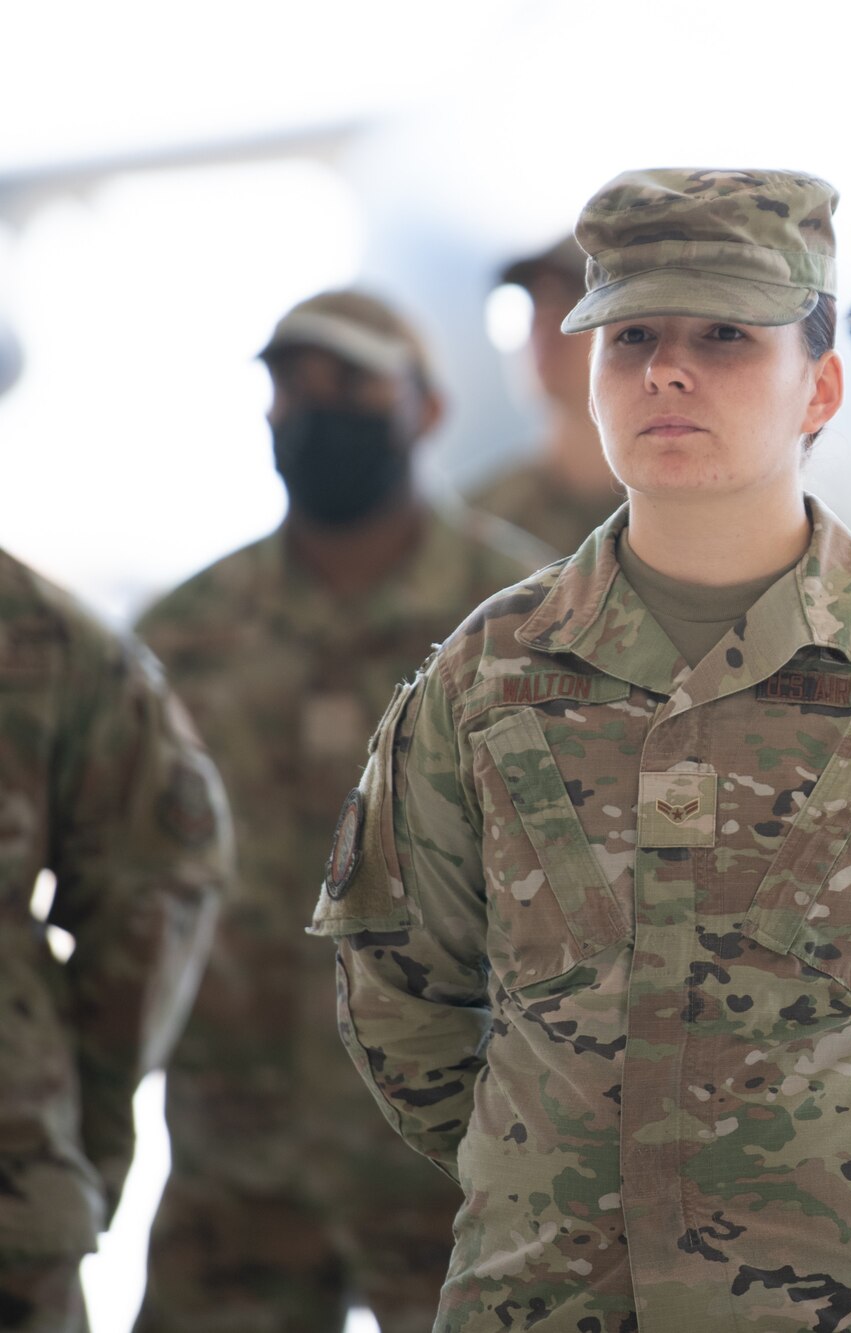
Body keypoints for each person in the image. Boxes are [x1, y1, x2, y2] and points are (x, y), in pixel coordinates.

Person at [308, 166, 851, 1332]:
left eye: (725, 336)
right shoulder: (485, 675)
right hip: (549, 1300)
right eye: (631, 334)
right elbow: (398, 988)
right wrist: (557, 1180)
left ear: (821, 387)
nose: (667, 370)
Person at [134, 290, 541, 1333]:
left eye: (351, 383)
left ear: (427, 408)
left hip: (462, 1166)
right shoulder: (186, 634)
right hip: (238, 1164)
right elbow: (125, 886)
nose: (314, 409)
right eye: (290, 386)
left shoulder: (523, 625)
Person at [0, 547, 226, 1333]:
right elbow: (159, 884)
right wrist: (80, 1133)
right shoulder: (39, 629)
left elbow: (154, 883)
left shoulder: (44, 634)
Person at [467, 236, 626, 559]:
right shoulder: (483, 520)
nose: (545, 319)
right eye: (535, 299)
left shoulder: (676, 506)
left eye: (575, 297)